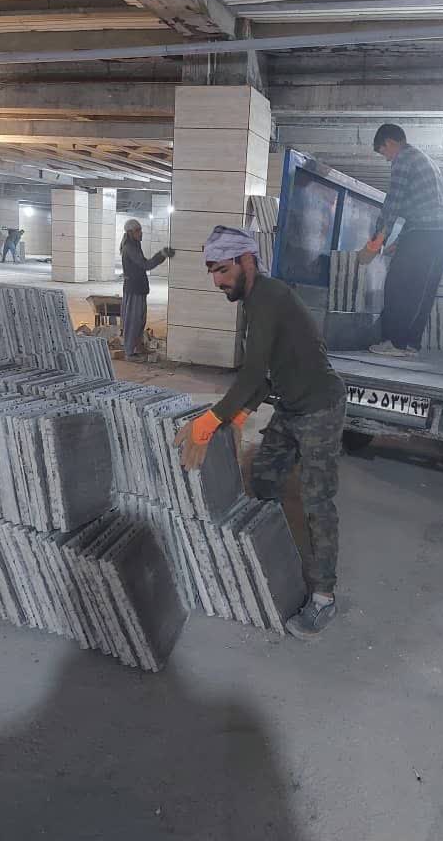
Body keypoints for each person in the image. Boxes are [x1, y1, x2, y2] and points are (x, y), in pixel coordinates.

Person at [175, 226, 346, 640]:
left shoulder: (270, 296)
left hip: (319, 407)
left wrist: (211, 420)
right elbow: (269, 371)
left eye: (222, 270)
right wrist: (242, 414)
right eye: (212, 273)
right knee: (265, 479)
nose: (217, 281)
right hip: (290, 404)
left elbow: (251, 371)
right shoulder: (254, 300)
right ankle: (270, 553)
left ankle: (323, 597)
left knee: (316, 500)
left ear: (247, 260)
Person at [363, 123, 443, 358]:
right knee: (423, 289)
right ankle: (409, 344)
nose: (387, 159)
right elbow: (418, 206)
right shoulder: (423, 159)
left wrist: (377, 239)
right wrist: (401, 240)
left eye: (384, 152)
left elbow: (393, 202)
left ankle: (394, 342)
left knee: (398, 283)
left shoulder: (403, 159)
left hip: (426, 231)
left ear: (390, 142)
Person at [120, 218, 173, 361]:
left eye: (140, 230)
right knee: (133, 321)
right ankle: (129, 352)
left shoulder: (135, 245)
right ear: (130, 233)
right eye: (138, 231)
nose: (141, 233)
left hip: (138, 288)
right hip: (133, 289)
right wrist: (161, 254)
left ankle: (138, 347)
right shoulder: (130, 247)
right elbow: (146, 265)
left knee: (140, 320)